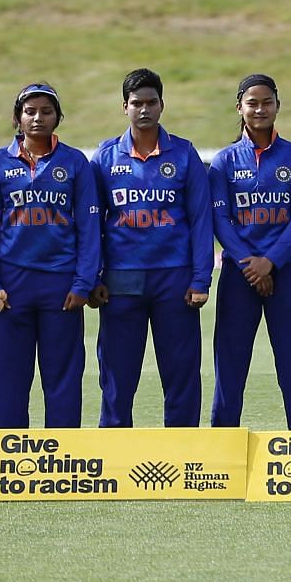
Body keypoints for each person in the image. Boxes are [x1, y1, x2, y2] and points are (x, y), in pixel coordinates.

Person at [0, 82, 102, 429]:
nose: (38, 118)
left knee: (63, 379)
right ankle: (11, 459)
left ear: (58, 117)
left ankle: (62, 458)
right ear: (18, 117)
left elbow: (89, 228)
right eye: (30, 111)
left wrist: (83, 282)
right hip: (11, 286)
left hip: (61, 285)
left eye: (46, 111)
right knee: (9, 379)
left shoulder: (75, 162)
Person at [91, 69, 213, 428]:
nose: (144, 110)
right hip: (121, 279)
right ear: (124, 107)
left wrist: (201, 278)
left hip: (173, 278)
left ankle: (183, 449)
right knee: (116, 376)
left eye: (151, 103)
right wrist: (95, 276)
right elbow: (93, 222)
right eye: (136, 103)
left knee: (181, 374)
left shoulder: (185, 154)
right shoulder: (105, 157)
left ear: (162, 105)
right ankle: (114, 451)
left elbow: (201, 220)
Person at [209, 74, 291, 430]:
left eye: (266, 102)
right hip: (238, 274)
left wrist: (270, 261)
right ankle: (222, 450)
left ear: (277, 106)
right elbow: (221, 219)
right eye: (252, 103)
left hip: (285, 272)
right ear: (239, 107)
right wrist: (250, 265)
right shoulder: (224, 161)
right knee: (230, 366)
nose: (259, 109)